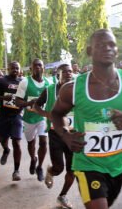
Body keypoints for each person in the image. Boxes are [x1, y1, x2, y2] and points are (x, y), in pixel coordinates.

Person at [50, 29, 122, 209]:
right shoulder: (73, 88)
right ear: (89, 51)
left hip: (117, 166)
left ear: (117, 51)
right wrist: (65, 135)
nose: (108, 49)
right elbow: (56, 114)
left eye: (112, 45)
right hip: (87, 165)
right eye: (101, 45)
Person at [33, 63, 74, 208]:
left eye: (70, 71)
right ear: (58, 75)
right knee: (59, 168)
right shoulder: (49, 90)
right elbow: (36, 106)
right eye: (65, 72)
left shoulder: (78, 89)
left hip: (73, 133)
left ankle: (62, 196)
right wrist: (47, 114)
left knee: (72, 169)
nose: (69, 74)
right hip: (55, 133)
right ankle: (51, 170)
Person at [15, 58, 50, 182]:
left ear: (43, 68)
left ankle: (40, 167)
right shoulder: (25, 82)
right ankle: (33, 159)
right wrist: (29, 102)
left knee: (43, 142)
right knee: (31, 143)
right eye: (35, 66)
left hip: (42, 118)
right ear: (31, 69)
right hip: (29, 119)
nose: (38, 68)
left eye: (40, 65)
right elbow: (17, 101)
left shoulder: (48, 83)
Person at [0, 61, 23, 180]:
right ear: (8, 69)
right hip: (4, 115)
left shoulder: (23, 82)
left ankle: (16, 171)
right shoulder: (2, 81)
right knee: (0, 138)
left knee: (17, 142)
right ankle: (6, 149)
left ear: (19, 70)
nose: (15, 70)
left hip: (17, 116)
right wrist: (4, 97)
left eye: (17, 68)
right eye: (12, 68)